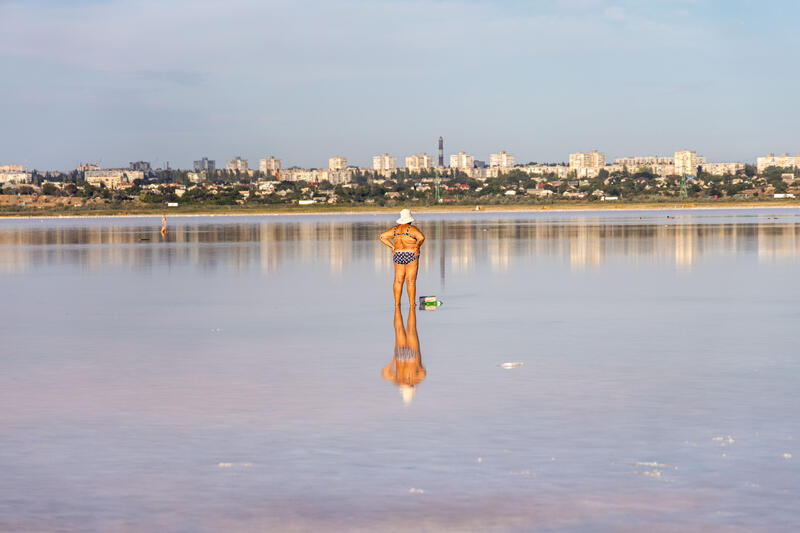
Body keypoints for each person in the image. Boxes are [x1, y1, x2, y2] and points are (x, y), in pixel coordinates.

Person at [379, 209, 425, 308]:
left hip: (398, 254)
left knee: (398, 280)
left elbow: (382, 237)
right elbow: (421, 237)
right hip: (411, 254)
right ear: (410, 219)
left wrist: (392, 247)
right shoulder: (412, 229)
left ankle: (397, 304)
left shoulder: (395, 229)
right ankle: (412, 305)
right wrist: (417, 247)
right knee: (410, 281)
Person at [382, 305, 425, 404]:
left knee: (404, 329)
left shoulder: (398, 380)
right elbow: (423, 372)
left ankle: (402, 307)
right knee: (406, 329)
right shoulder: (403, 380)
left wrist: (394, 362)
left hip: (405, 357)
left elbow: (384, 373)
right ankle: (408, 307)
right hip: (406, 357)